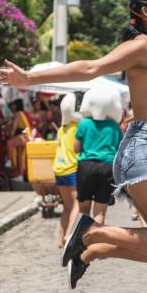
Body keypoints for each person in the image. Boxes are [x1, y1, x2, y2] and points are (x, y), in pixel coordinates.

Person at [0, 0, 147, 290]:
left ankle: (90, 250)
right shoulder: (142, 46)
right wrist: (29, 78)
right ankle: (91, 231)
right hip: (146, 150)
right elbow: (91, 67)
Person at [75, 86, 123, 227]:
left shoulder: (84, 124)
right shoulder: (115, 126)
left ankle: (82, 243)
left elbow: (76, 148)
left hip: (86, 166)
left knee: (83, 210)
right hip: (108, 167)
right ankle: (95, 241)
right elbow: (120, 149)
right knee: (100, 213)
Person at [53, 93, 82, 249]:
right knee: (77, 205)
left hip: (59, 169)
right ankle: (68, 237)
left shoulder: (62, 129)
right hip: (72, 169)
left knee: (67, 206)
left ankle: (60, 238)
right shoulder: (77, 128)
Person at [5, 98, 33, 182]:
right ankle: (20, 176)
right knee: (19, 157)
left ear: (16, 105)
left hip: (22, 135)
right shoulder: (22, 113)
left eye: (13, 104)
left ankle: (9, 161)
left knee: (9, 143)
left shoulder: (18, 114)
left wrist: (11, 135)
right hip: (25, 136)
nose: (12, 106)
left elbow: (14, 127)